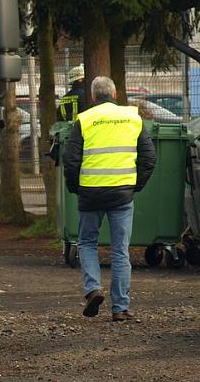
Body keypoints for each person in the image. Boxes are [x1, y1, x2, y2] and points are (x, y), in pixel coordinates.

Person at [62, 76, 156, 321]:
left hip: (90, 192)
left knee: (87, 243)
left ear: (93, 97)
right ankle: (121, 308)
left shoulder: (85, 120)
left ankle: (93, 288)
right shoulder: (132, 118)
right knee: (120, 250)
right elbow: (149, 157)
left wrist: (75, 188)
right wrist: (135, 186)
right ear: (115, 95)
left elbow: (70, 160)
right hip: (122, 194)